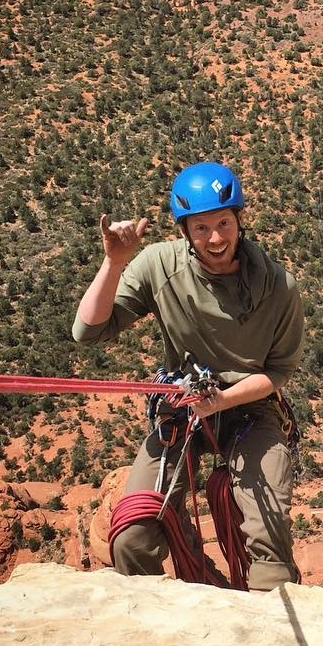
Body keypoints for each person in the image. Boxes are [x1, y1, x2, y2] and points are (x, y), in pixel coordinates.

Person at [72, 161, 304, 591]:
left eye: (223, 222)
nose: (215, 238)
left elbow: (279, 371)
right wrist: (115, 262)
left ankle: (268, 631)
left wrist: (224, 399)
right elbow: (88, 330)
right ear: (184, 231)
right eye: (201, 228)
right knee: (131, 537)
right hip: (183, 407)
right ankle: (178, 607)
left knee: (268, 537)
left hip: (249, 407)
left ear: (240, 220)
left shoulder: (277, 287)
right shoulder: (160, 266)